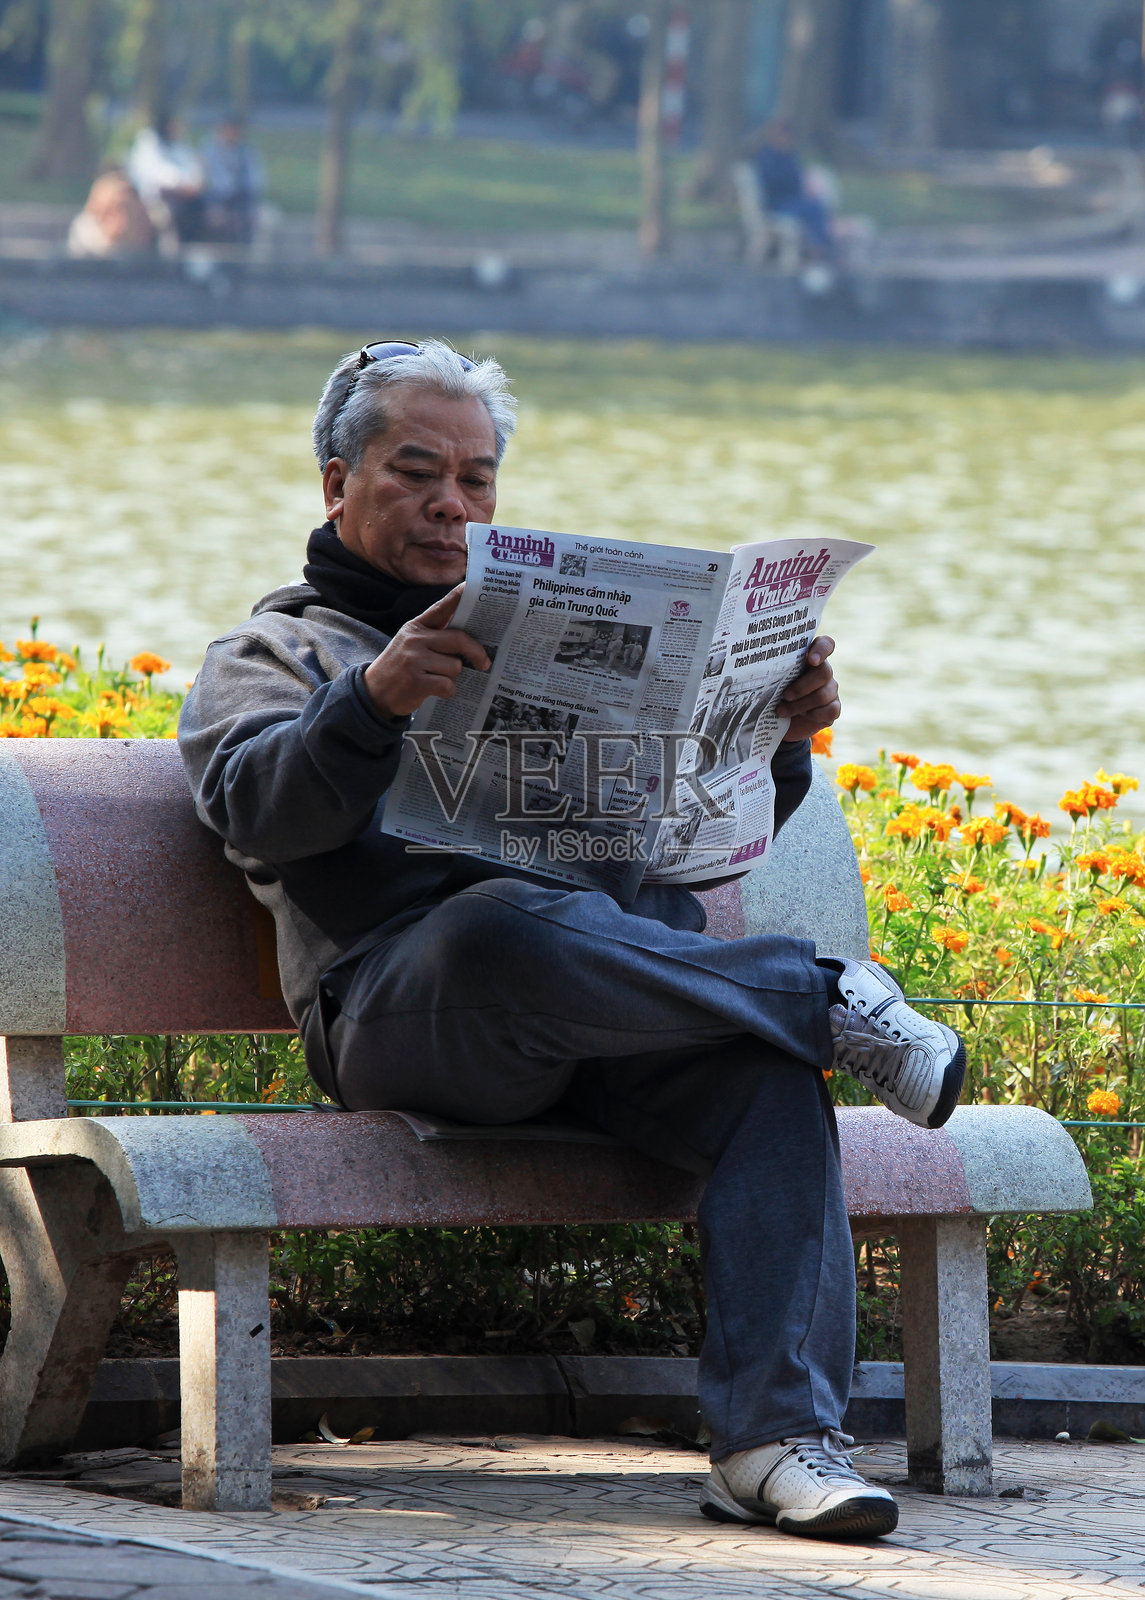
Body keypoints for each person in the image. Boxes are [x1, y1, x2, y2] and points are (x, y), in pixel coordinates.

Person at [178, 339, 965, 1542]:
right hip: (408, 1007)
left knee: (761, 1073)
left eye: (477, 479)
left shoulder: (543, 634)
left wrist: (773, 733)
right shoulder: (277, 652)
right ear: (336, 483)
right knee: (496, 919)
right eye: (417, 470)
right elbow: (254, 810)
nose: (452, 502)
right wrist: (373, 702)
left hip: (606, 998)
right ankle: (817, 992)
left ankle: (772, 1440)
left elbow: (685, 844)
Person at [749, 119, 836, 262]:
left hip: (791, 201)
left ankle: (818, 245)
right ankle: (821, 247)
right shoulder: (766, 159)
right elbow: (775, 184)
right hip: (776, 204)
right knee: (814, 208)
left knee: (815, 206)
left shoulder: (790, 157)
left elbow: (798, 180)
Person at [126, 111, 204, 245]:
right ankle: (169, 260)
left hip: (184, 200)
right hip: (152, 201)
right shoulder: (148, 143)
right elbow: (156, 175)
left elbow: (193, 171)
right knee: (167, 219)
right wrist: (179, 185)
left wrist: (191, 184)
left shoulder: (179, 144)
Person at [201, 113, 264, 245]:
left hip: (240, 199)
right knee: (217, 219)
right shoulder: (210, 150)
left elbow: (255, 180)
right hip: (215, 198)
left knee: (247, 219)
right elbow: (211, 180)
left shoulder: (246, 152)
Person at [66, 167, 155, 259]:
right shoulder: (86, 227)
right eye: (109, 211)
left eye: (122, 208)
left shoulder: (150, 227)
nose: (118, 220)